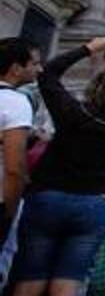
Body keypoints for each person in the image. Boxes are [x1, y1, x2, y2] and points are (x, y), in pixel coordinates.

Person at [10, 38, 105, 296]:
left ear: (92, 88)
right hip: (91, 205)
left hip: (48, 198)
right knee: (69, 281)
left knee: (31, 277)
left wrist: (89, 49)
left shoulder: (70, 112)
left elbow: (49, 72)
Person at [0, 39, 40, 253]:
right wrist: (11, 209)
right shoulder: (15, 102)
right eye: (34, 63)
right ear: (16, 68)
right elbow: (14, 167)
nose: (39, 69)